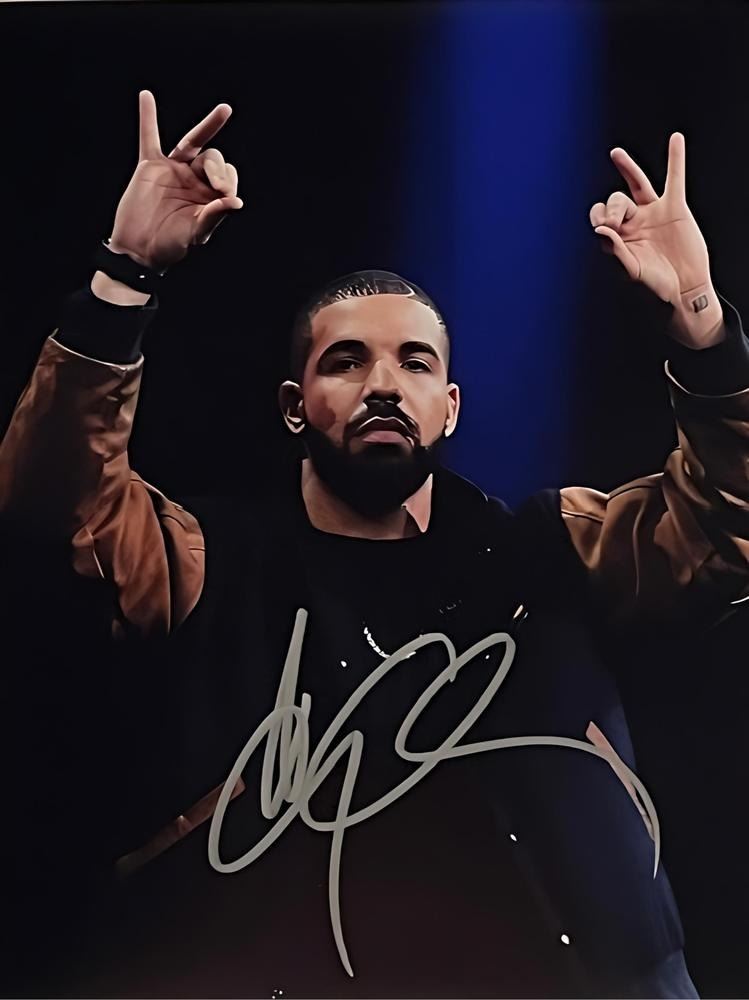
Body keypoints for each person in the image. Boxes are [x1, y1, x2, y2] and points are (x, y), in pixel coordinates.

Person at [1, 89, 748, 999]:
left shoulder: (555, 550)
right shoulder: (202, 560)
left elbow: (728, 518)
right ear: (293, 406)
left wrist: (700, 321)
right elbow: (54, 502)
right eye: (346, 360)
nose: (383, 385)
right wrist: (123, 276)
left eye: (414, 363)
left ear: (450, 407)